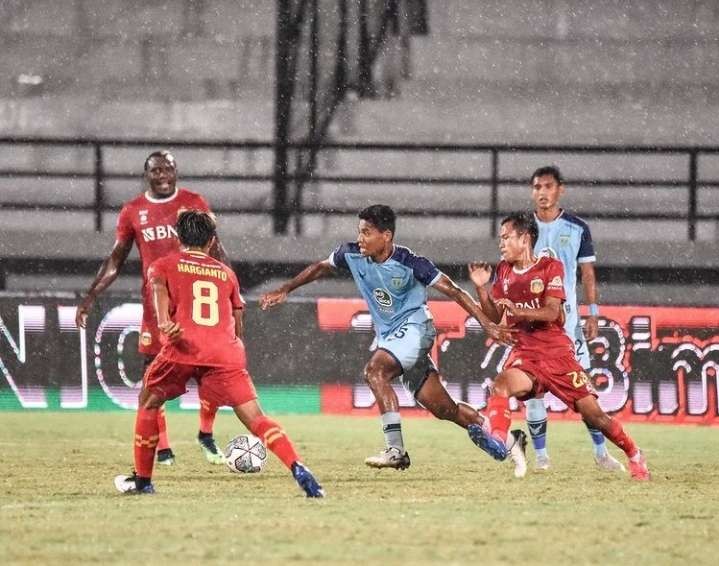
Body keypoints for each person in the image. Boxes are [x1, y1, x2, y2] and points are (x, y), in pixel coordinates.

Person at [260, 204, 527, 476]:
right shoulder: (350, 253)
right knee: (444, 409)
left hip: (415, 328)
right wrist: (286, 288)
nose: (360, 238)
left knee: (374, 371)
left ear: (386, 236)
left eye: (367, 232)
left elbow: (455, 291)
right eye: (359, 232)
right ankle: (507, 438)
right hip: (393, 337)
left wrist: (487, 324)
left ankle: (395, 450)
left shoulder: (411, 263)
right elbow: (320, 268)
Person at [114, 210, 324, 497]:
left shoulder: (162, 266)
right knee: (256, 419)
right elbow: (238, 326)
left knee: (149, 402)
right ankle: (298, 466)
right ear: (212, 241)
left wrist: (166, 325)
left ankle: (143, 482)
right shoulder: (226, 274)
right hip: (225, 353)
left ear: (178, 238)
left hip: (183, 348)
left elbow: (160, 307)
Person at [466, 212, 650, 480]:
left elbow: (553, 313)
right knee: (501, 385)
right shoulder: (504, 271)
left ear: (525, 238)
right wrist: (482, 290)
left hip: (557, 354)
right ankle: (499, 439)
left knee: (594, 416)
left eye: (506, 237)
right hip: (526, 354)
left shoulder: (550, 267)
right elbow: (496, 318)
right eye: (500, 238)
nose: (501, 243)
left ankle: (634, 453)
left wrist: (517, 310)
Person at [76, 150, 226, 466]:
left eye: (166, 169)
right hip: (156, 307)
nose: (161, 175)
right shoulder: (134, 211)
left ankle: (206, 435)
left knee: (210, 373)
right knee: (152, 377)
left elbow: (217, 248)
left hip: (194, 304)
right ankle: (164, 449)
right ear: (147, 174)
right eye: (155, 170)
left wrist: (227, 287)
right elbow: (114, 261)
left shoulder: (194, 201)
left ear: (175, 171)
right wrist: (89, 298)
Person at [525, 165, 622, 471]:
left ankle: (601, 452)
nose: (542, 193)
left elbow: (588, 274)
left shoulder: (577, 227)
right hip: (531, 324)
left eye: (548, 187)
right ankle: (541, 458)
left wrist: (593, 314)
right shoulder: (523, 228)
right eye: (537, 187)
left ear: (560, 189)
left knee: (583, 391)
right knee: (534, 391)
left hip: (567, 326)